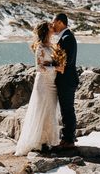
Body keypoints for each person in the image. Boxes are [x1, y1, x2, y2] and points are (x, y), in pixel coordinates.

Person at [15, 21, 63, 156]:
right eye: (50, 27)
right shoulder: (40, 47)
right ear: (45, 31)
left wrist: (58, 64)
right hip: (43, 83)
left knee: (50, 110)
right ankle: (38, 142)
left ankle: (48, 141)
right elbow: (39, 67)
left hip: (52, 82)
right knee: (41, 109)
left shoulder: (52, 46)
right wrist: (55, 67)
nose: (53, 28)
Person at [52, 13, 79, 148]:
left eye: (54, 22)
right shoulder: (65, 36)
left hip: (67, 80)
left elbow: (65, 63)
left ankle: (69, 140)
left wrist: (51, 66)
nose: (52, 25)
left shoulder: (67, 38)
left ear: (60, 22)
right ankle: (67, 138)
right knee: (66, 109)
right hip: (66, 80)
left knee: (67, 109)